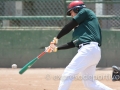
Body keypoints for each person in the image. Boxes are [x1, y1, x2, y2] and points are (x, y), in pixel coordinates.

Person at [45, 0, 113, 90]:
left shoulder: (85, 11)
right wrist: (56, 48)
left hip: (88, 49)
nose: (71, 15)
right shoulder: (84, 27)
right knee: (90, 83)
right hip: (92, 51)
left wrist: (56, 38)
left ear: (77, 9)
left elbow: (69, 26)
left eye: (71, 12)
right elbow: (74, 43)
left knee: (68, 73)